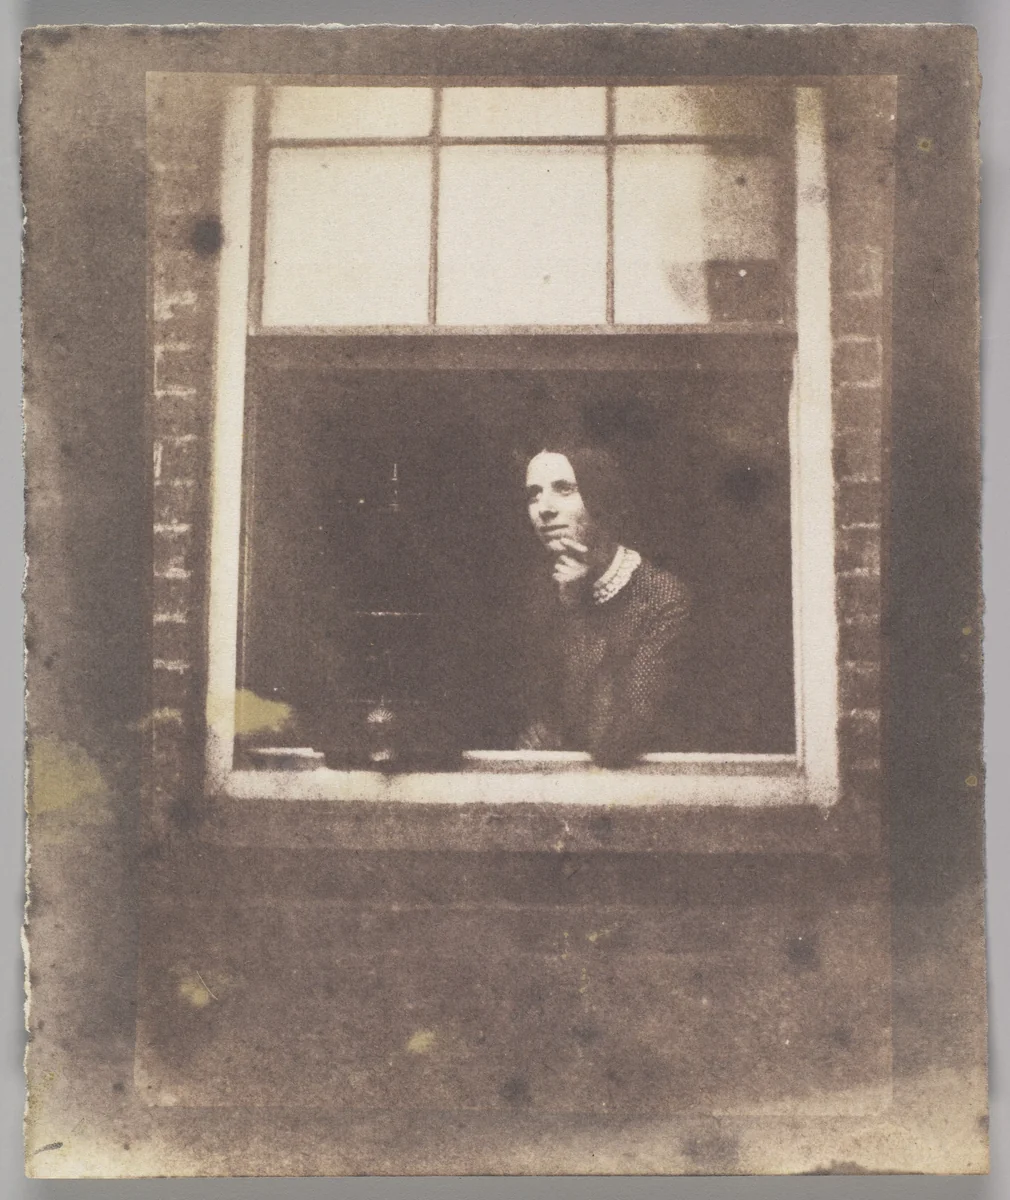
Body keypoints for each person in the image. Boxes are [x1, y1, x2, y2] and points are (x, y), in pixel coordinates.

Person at [520, 444, 689, 767]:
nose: (544, 509)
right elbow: (540, 724)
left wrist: (580, 609)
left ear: (601, 499)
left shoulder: (661, 597)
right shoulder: (542, 591)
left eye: (564, 490)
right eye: (534, 495)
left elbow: (612, 743)